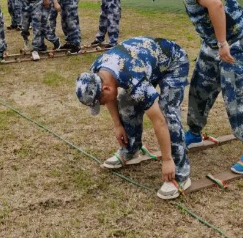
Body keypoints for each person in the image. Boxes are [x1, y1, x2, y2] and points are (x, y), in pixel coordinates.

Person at [143, 0, 243, 174]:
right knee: (200, 88)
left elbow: (215, 4)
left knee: (236, 95)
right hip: (212, 45)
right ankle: (195, 132)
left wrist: (223, 42)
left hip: (234, 43)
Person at [76, 37, 191, 199]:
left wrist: (166, 160)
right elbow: (109, 97)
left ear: (106, 88)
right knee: (126, 104)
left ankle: (181, 173)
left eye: (99, 102)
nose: (101, 105)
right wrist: (118, 125)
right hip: (146, 63)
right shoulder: (97, 72)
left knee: (168, 113)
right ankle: (131, 149)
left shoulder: (133, 79)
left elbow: (159, 121)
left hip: (174, 62)